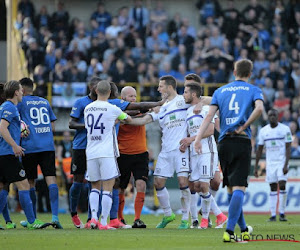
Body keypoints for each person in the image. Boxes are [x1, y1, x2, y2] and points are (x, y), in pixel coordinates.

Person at [194, 59, 264, 242]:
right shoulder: (253, 90)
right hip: (241, 140)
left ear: (234, 71)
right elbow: (259, 109)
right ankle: (230, 231)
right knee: (240, 188)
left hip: (223, 143)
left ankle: (243, 228)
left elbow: (209, 115)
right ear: (250, 73)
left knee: (233, 190)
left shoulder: (220, 91)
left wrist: (197, 139)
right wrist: (245, 125)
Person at [127, 75, 197, 229]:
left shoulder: (182, 100)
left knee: (183, 182)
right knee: (158, 183)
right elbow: (144, 120)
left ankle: (185, 218)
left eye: (161, 86)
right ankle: (168, 214)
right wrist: (125, 119)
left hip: (181, 150)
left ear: (169, 87)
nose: (158, 89)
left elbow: (201, 101)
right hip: (165, 151)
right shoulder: (162, 107)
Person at [84, 80, 132, 230]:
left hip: (91, 151)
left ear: (96, 91)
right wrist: (117, 120)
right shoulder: (113, 108)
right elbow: (128, 119)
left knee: (94, 187)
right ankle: (104, 222)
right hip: (106, 152)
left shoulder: (88, 108)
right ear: (110, 93)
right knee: (108, 188)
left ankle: (93, 219)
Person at [0, 80, 47, 229]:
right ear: (15, 92)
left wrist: (19, 133)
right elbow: (2, 127)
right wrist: (15, 145)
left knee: (3, 187)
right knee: (24, 185)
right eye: (20, 90)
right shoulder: (10, 107)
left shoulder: (4, 107)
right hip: (8, 153)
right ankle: (32, 221)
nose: (22, 92)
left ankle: (16, 221)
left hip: (3, 153)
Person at [180, 83, 227, 229]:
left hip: (207, 150)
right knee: (195, 185)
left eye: (186, 92)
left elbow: (210, 130)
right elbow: (190, 132)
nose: (184, 95)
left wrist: (191, 139)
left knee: (205, 185)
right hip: (194, 153)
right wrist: (186, 143)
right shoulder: (188, 111)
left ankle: (205, 220)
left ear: (193, 94)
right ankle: (219, 215)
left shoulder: (206, 108)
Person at [17, 77, 62, 229]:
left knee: (30, 182)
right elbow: (53, 125)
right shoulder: (44, 101)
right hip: (47, 146)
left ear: (21, 90)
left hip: (30, 146)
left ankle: (33, 218)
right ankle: (55, 217)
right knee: (51, 180)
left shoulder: (20, 103)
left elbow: (17, 123)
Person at [68, 77, 100, 228]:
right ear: (91, 87)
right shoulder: (81, 102)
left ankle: (91, 218)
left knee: (94, 183)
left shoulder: (103, 104)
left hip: (97, 147)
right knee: (78, 182)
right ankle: (74, 213)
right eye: (96, 87)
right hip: (81, 147)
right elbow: (71, 123)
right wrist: (88, 125)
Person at [117, 86, 148, 228]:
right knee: (121, 187)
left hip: (140, 153)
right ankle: (119, 218)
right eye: (131, 96)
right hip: (122, 154)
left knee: (141, 184)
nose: (134, 99)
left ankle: (137, 219)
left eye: (135, 96)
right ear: (122, 98)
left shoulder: (141, 109)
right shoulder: (116, 111)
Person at [255, 109, 292, 222]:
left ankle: (281, 213)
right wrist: (256, 166)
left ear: (278, 116)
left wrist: (286, 164)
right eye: (270, 115)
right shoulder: (263, 131)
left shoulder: (285, 129)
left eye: (274, 115)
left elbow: (288, 147)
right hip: (270, 163)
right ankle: (272, 215)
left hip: (282, 161)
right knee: (272, 187)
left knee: (282, 184)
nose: (272, 117)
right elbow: (260, 149)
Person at [0, 83, 17, 229]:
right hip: (4, 152)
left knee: (3, 186)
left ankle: (7, 220)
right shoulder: (6, 108)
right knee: (4, 186)